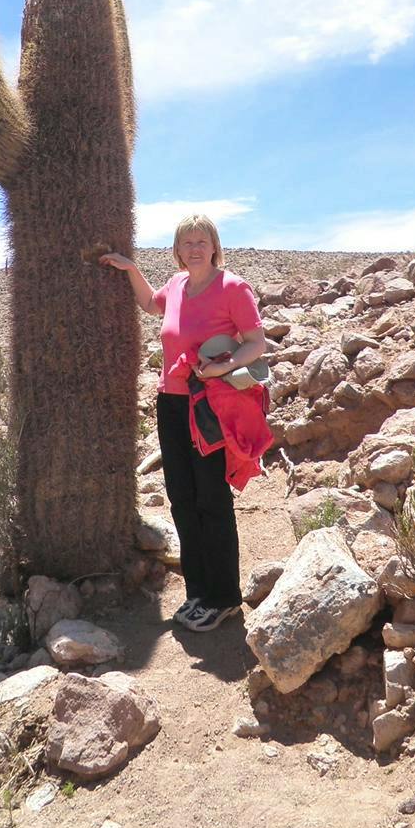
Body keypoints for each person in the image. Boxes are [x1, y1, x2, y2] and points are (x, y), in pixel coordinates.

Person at [100, 215, 266, 632]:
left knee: (211, 497)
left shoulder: (232, 287)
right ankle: (198, 591)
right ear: (176, 250)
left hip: (207, 404)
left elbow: (256, 343)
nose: (194, 248)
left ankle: (224, 597)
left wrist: (222, 365)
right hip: (171, 403)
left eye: (201, 240)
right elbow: (149, 304)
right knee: (181, 497)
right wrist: (131, 269)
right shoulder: (175, 286)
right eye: (186, 242)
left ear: (214, 246)